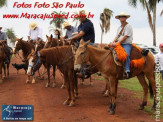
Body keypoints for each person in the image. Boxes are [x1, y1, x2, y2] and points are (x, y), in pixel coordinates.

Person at [110, 12, 133, 78]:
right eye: (120, 17)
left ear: (126, 18)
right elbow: (116, 36)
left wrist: (117, 43)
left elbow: (125, 36)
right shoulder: (119, 27)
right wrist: (112, 42)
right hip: (119, 43)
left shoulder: (128, 26)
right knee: (109, 52)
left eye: (123, 16)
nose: (122, 18)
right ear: (119, 18)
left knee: (126, 54)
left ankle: (127, 70)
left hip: (126, 44)